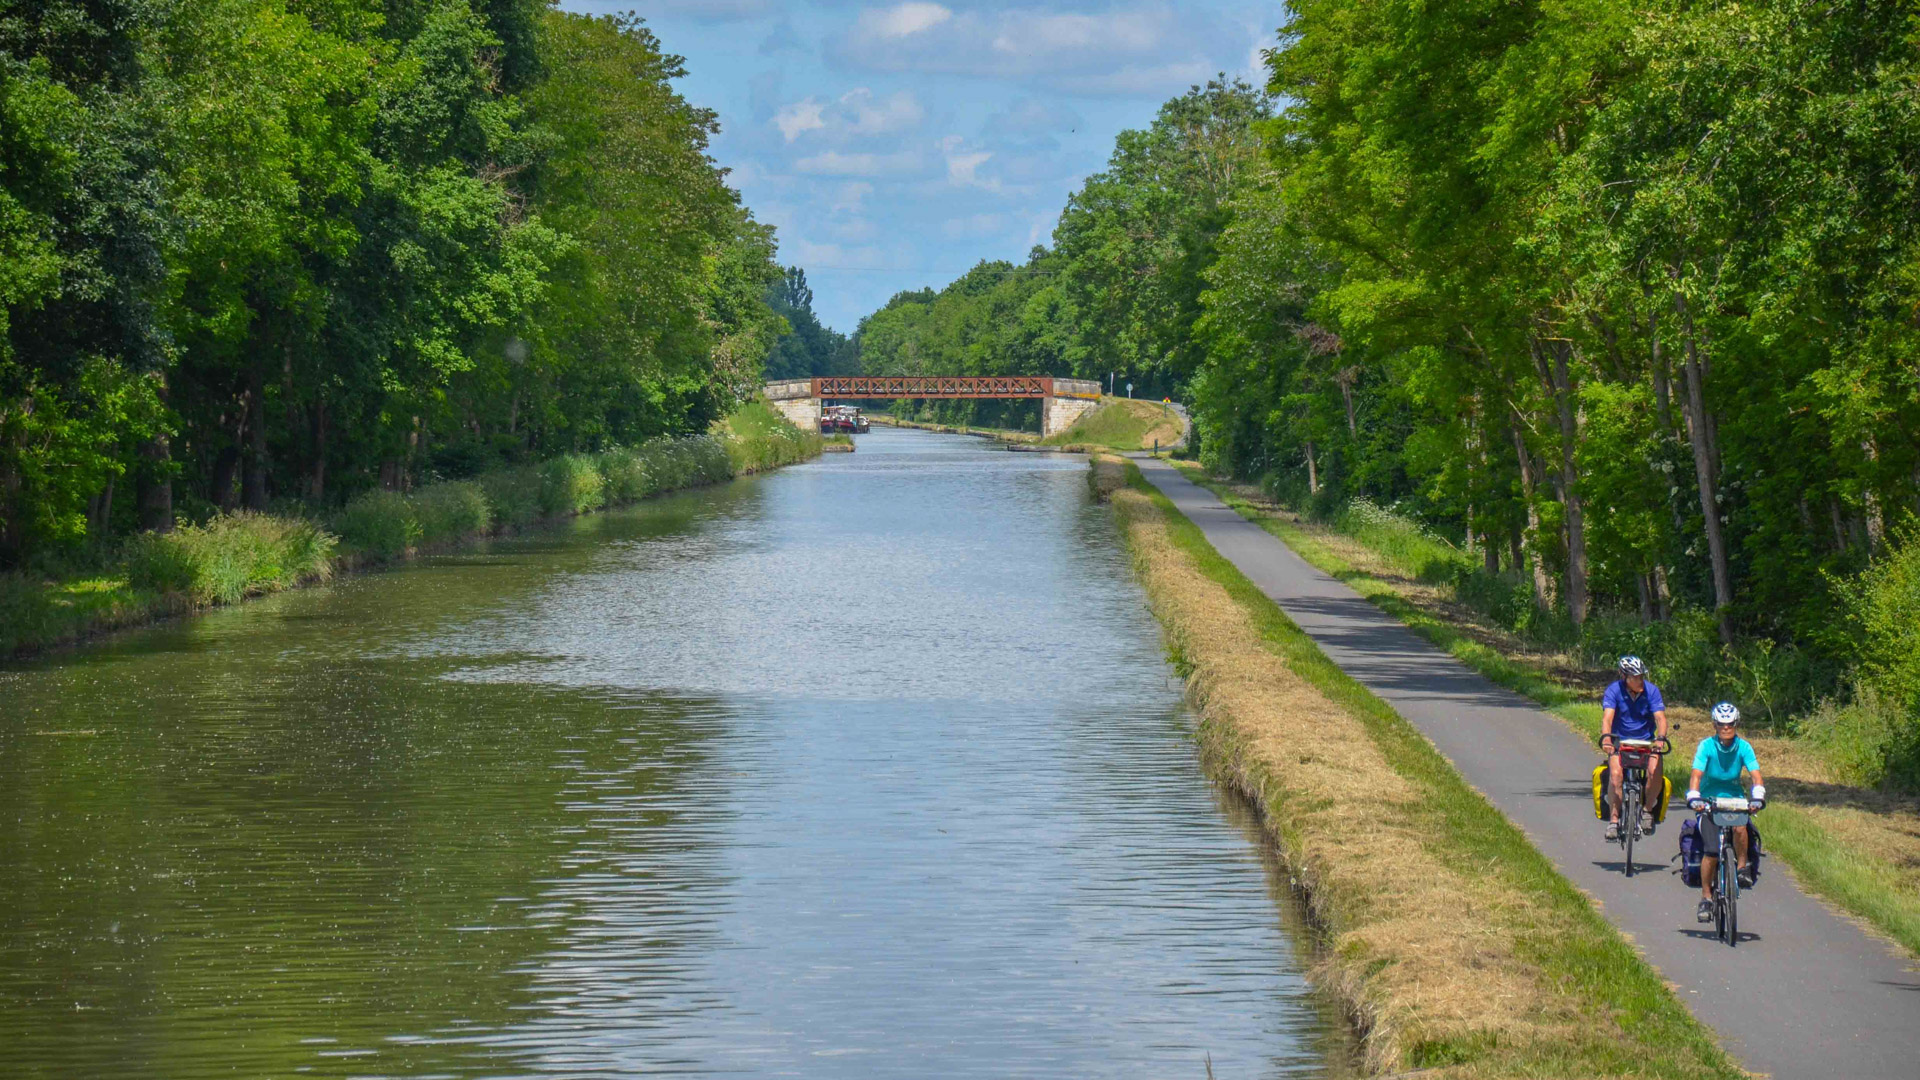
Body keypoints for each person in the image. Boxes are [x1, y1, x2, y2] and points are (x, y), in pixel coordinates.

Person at [1687, 703, 1766, 922]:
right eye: (1721, 724)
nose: (1725, 728)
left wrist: (1758, 794)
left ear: (1736, 724)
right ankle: (1706, 897)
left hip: (1735, 800)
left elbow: (1755, 775)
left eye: (1729, 724)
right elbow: (1696, 774)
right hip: (1708, 802)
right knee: (1711, 850)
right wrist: (1694, 795)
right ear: (1714, 725)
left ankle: (1741, 869)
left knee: (1741, 827)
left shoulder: (1744, 747)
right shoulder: (1706, 746)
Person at [1600, 656, 1669, 840]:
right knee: (1615, 777)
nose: (1640, 680)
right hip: (1620, 742)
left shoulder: (1652, 691)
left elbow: (1660, 719)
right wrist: (1607, 739)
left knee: (1655, 771)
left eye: (1641, 676)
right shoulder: (1613, 690)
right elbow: (1607, 718)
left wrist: (1660, 738)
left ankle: (1647, 810)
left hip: (1646, 742)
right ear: (1624, 676)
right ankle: (1614, 820)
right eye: (1635, 677)